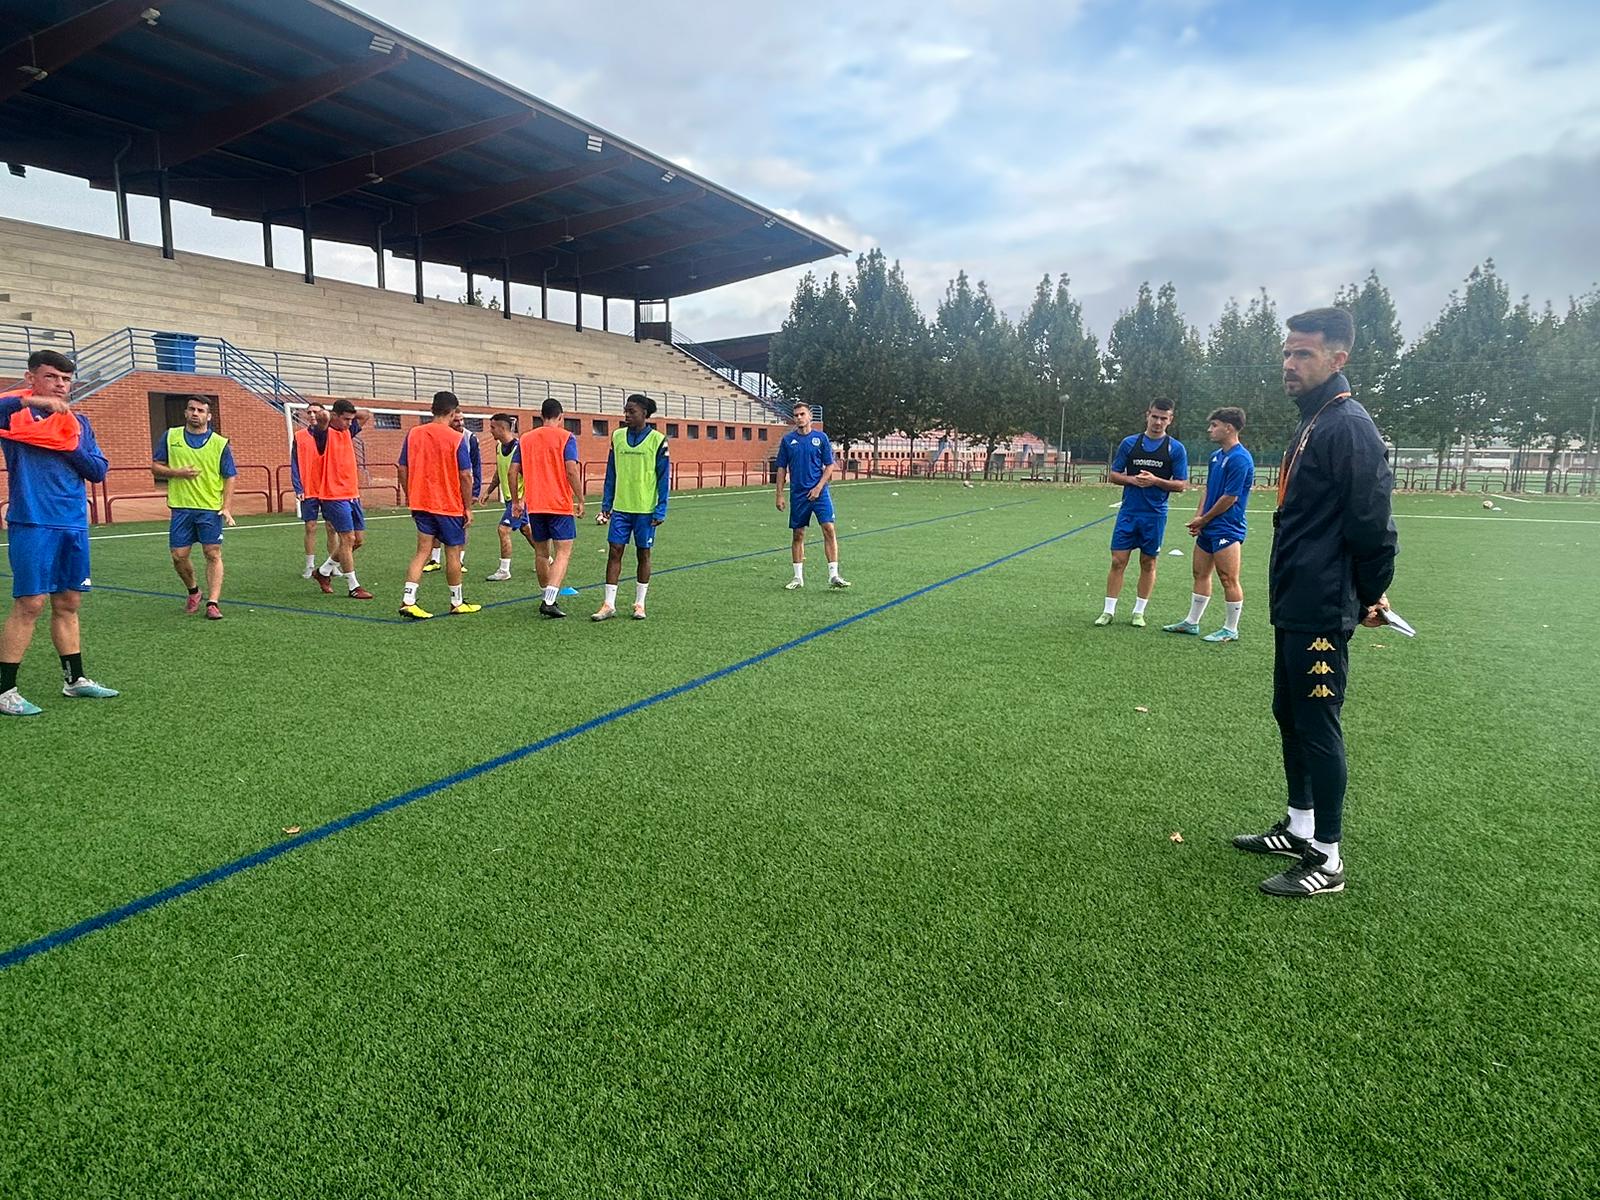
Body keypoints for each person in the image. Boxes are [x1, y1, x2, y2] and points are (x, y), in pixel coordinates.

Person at [1233, 307, 1397, 898]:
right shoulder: (1314, 422)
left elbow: (1373, 524)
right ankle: (1300, 826)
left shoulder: (1348, 426)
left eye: (1303, 354)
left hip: (1323, 605)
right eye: (1286, 352)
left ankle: (1326, 859)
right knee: (1290, 712)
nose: (1289, 364)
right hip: (1296, 600)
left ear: (1338, 358)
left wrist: (1372, 590)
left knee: (1319, 724)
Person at [0, 350, 117, 716]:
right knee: (30, 603)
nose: (60, 385)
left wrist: (69, 447)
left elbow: (98, 469)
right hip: (33, 520)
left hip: (72, 523)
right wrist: (34, 403)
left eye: (66, 379)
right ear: (31, 377)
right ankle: (4, 691)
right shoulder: (14, 416)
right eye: (51, 377)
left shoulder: (78, 423)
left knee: (68, 603)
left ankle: (74, 680)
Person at [1163, 406, 1255, 642]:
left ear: (1229, 427)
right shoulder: (1216, 457)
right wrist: (1198, 517)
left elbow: (1230, 497)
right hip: (1209, 524)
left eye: (1214, 425)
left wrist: (1205, 519)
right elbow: (1208, 489)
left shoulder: (1240, 458)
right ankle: (1192, 622)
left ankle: (1231, 629)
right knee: (1200, 573)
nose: (1210, 430)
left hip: (1227, 527)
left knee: (1228, 578)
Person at [1095, 399, 1188, 627]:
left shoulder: (1175, 448)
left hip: (1155, 515)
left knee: (1148, 562)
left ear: (1170, 420)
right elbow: (1114, 475)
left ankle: (1139, 612)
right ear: (1147, 415)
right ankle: (1108, 611)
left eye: (1163, 418)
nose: (1158, 422)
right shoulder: (1129, 443)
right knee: (1118, 561)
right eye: (1155, 416)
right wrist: (1133, 480)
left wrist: (1155, 481)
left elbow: (1181, 484)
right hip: (1129, 512)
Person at [152, 395, 237, 620]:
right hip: (181, 507)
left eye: (201, 410)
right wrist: (176, 473)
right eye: (192, 409)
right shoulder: (171, 436)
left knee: (212, 553)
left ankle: (213, 602)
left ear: (209, 416)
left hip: (209, 508)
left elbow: (230, 476)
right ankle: (194, 591)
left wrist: (226, 507)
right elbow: (155, 467)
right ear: (186, 412)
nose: (195, 414)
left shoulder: (220, 443)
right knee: (179, 556)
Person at [397, 391, 479, 619]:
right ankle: (456, 602)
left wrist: (411, 494)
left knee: (422, 551)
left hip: (421, 503)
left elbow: (402, 468)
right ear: (453, 412)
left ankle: (408, 599)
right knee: (453, 553)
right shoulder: (455, 438)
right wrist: (467, 507)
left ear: (432, 409)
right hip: (448, 505)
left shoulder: (414, 433)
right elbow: (465, 475)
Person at [593, 394, 668, 621]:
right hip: (621, 508)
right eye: (625, 411)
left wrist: (661, 507)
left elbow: (664, 477)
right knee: (615, 551)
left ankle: (639, 604)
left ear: (645, 413)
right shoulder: (617, 437)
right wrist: (607, 504)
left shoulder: (658, 440)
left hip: (646, 510)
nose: (627, 415)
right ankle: (608, 604)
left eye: (631, 411)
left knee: (643, 553)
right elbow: (611, 473)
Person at [510, 398, 585, 618]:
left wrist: (516, 500)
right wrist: (580, 498)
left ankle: (546, 594)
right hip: (558, 504)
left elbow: (512, 471)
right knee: (563, 552)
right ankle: (549, 600)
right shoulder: (566, 437)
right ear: (561, 417)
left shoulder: (526, 439)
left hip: (535, 504)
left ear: (541, 416)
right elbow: (571, 469)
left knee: (542, 553)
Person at [776, 401, 850, 590]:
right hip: (798, 494)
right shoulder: (787, 441)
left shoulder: (821, 438)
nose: (799, 418)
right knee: (798, 534)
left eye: (802, 414)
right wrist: (779, 495)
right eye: (796, 415)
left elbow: (830, 465)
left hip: (820, 492)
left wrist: (818, 487)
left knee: (829, 528)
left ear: (810, 416)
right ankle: (797, 577)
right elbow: (781, 468)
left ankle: (834, 575)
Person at [309, 398, 374, 600]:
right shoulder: (323, 434)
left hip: (352, 494)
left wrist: (350, 414)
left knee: (358, 541)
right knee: (348, 539)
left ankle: (323, 571)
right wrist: (327, 416)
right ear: (335, 416)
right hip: (333, 495)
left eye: (350, 419)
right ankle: (353, 586)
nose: (349, 423)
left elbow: (367, 414)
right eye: (345, 419)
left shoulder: (349, 430)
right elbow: (321, 419)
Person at [480, 412, 538, 581]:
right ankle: (546, 557)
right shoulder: (498, 447)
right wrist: (489, 491)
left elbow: (529, 476)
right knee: (527, 530)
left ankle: (504, 570)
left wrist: (521, 501)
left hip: (519, 501)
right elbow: (500, 472)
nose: (490, 431)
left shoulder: (520, 448)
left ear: (503, 428)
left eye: (492, 427)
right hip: (509, 500)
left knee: (503, 529)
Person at [424, 408, 482, 573]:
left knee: (463, 524)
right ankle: (434, 559)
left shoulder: (470, 438)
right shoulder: (440, 436)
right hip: (440, 490)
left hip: (461, 490)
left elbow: (475, 467)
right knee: (434, 524)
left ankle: (460, 560)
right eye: (456, 420)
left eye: (462, 420)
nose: (460, 423)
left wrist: (474, 491)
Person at [289, 402, 336, 579]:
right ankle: (309, 565)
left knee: (332, 527)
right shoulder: (299, 436)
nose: (312, 415)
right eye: (309, 412)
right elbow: (294, 463)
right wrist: (298, 486)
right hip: (309, 488)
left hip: (328, 489)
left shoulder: (332, 434)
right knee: (310, 526)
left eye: (315, 411)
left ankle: (331, 564)